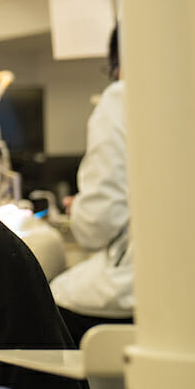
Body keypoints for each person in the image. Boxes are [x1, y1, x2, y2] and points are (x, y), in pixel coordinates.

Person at [51, 24, 133, 344]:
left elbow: (99, 222)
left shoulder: (121, 98)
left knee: (48, 300)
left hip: (138, 292)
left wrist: (82, 210)